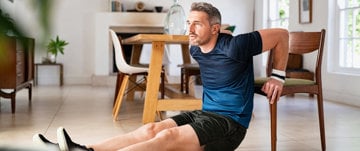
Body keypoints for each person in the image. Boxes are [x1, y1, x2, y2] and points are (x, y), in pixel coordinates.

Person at [33, 2, 289, 151]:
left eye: (196, 23)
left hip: (230, 125)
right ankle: (84, 150)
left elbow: (281, 35)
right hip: (204, 113)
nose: (189, 29)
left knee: (165, 138)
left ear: (215, 28)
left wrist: (277, 76)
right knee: (152, 128)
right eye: (188, 22)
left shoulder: (236, 45)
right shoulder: (195, 48)